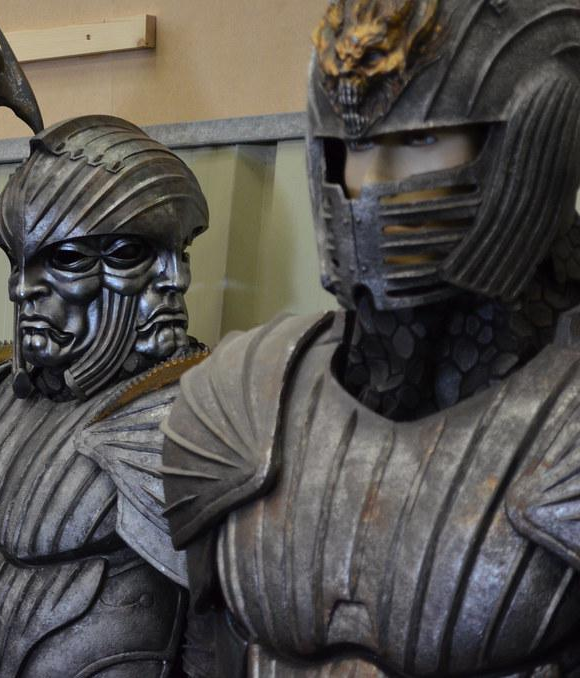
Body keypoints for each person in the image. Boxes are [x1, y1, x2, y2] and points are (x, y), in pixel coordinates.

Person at [163, 0, 580, 675]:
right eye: (356, 147)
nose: (371, 186)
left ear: (533, 141)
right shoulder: (239, 402)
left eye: (419, 140)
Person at [0, 115, 209, 677]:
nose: (21, 289)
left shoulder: (185, 416)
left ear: (150, 268)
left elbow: (217, 645)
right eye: (18, 262)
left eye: (63, 259)